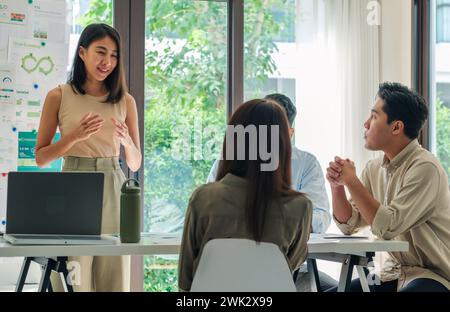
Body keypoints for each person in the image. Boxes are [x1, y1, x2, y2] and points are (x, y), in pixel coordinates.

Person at [35, 23, 142, 291]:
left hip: (113, 185)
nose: (107, 62)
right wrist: (73, 138)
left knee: (113, 274)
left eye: (114, 55)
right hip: (72, 185)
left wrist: (127, 142)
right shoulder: (58, 96)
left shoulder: (126, 101)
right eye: (101, 52)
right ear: (82, 52)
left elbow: (135, 162)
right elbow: (41, 158)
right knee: (74, 273)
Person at [178, 99, 313, 292]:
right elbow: (288, 266)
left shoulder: (203, 199)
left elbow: (186, 280)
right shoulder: (300, 207)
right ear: (282, 146)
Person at [326, 82, 450, 292]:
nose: (366, 124)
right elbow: (350, 224)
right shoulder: (374, 168)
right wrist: (338, 185)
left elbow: (388, 226)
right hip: (393, 274)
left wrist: (353, 182)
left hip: (434, 276)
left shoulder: (425, 168)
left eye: (374, 117)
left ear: (396, 127)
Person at [207, 94, 335, 291]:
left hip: (294, 272)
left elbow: (320, 220)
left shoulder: (306, 164)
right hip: (234, 270)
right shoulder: (227, 163)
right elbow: (210, 214)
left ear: (289, 133)